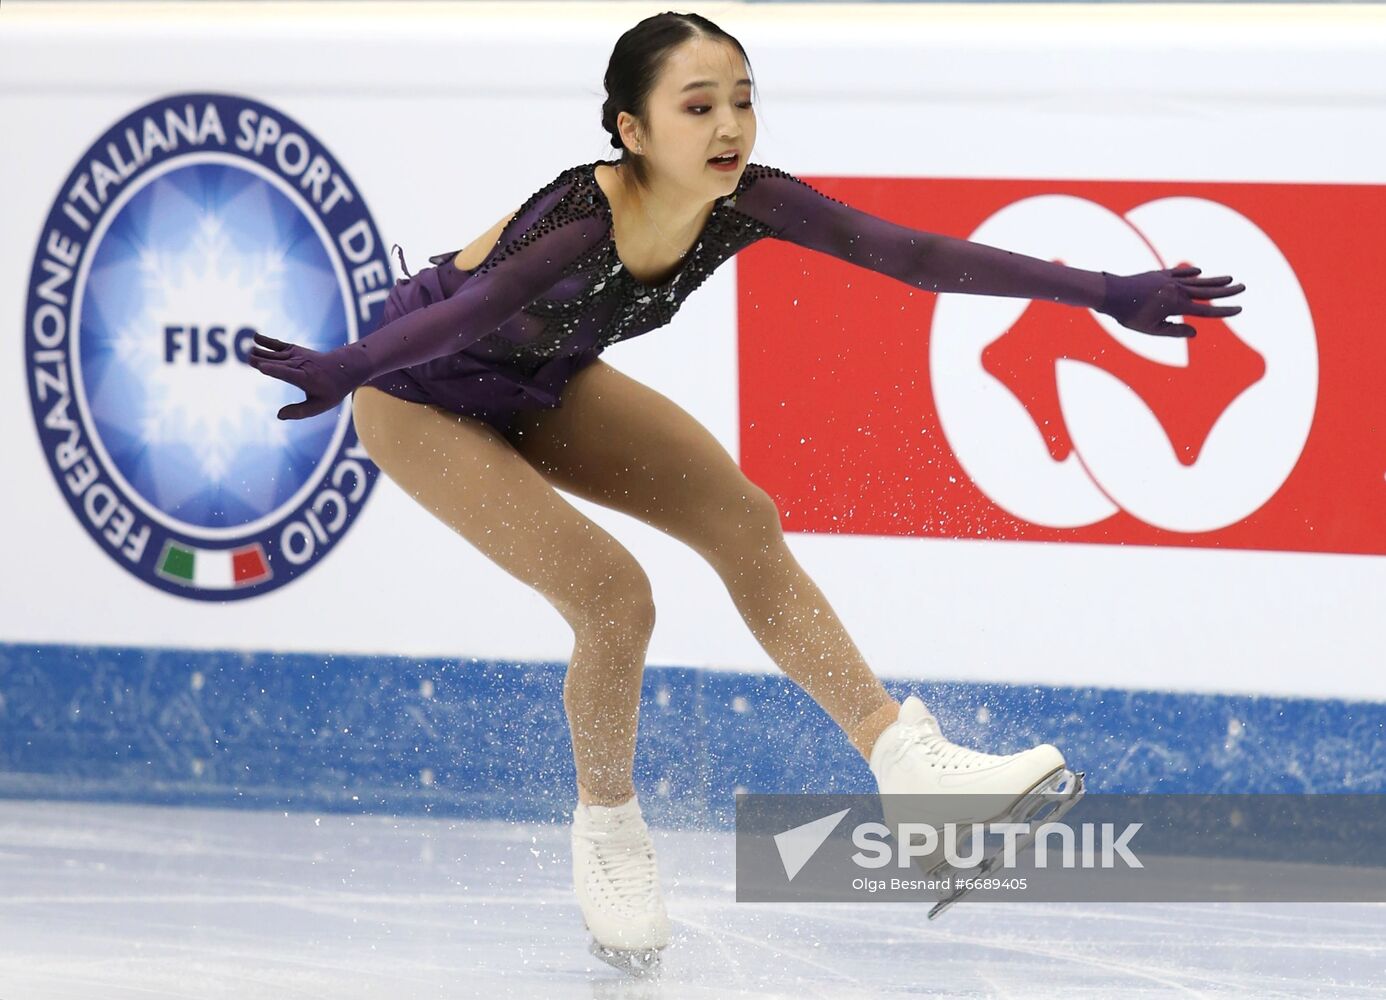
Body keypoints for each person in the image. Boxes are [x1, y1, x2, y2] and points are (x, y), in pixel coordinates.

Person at [248, 11, 1245, 974]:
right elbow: (474, 310)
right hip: (415, 391)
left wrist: (1106, 292)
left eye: (741, 99)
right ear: (632, 130)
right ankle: (607, 825)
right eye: (696, 106)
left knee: (742, 518)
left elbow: (915, 256)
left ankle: (903, 764)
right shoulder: (579, 217)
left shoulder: (749, 200)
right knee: (615, 595)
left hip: (540, 382)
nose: (727, 126)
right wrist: (350, 364)